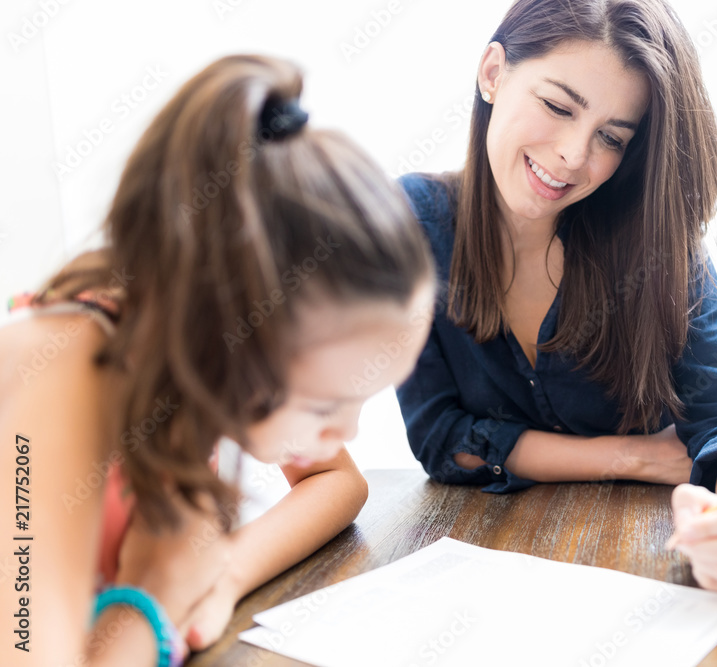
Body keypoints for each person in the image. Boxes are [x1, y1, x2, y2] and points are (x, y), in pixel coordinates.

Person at [0, 54, 434, 666]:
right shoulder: (61, 378)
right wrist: (152, 594)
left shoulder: (191, 360)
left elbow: (337, 481)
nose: (348, 432)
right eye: (326, 404)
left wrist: (222, 573)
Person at [396, 0, 717, 595]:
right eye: (558, 106)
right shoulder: (414, 223)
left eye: (611, 138)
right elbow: (441, 440)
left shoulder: (653, 243)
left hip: (642, 568)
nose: (573, 156)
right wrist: (635, 457)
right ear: (493, 72)